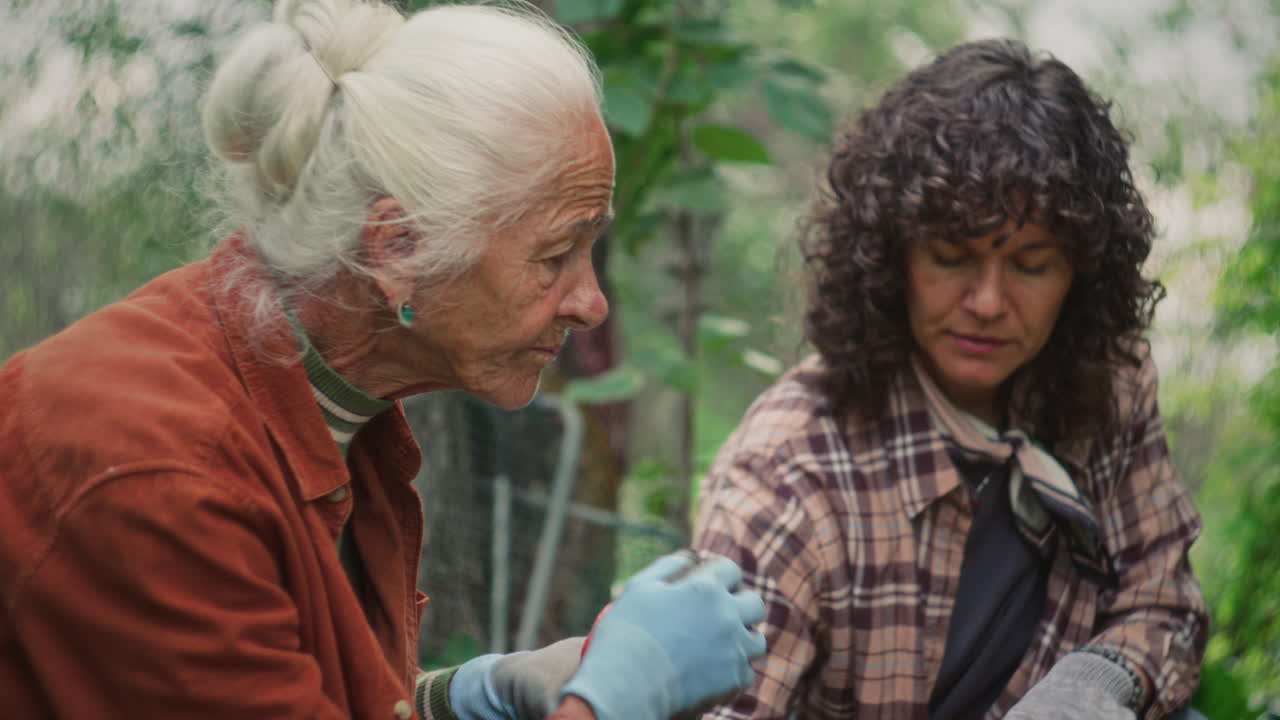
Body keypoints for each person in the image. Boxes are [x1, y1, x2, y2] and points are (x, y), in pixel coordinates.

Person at [0, 1, 766, 719]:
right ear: (397, 247)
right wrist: (608, 703)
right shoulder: (159, 471)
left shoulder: (326, 400)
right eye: (556, 254)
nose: (591, 303)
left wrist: (457, 696)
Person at [692, 38, 1207, 720]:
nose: (988, 303)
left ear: (1081, 275)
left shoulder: (1108, 389)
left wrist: (1099, 681)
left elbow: (1162, 603)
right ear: (890, 254)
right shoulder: (791, 470)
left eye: (1030, 265)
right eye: (950, 256)